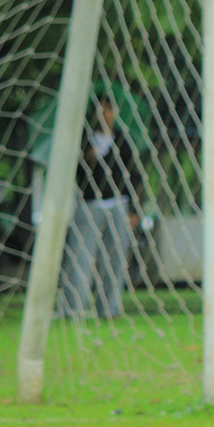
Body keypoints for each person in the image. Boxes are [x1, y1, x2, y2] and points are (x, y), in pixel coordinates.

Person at [57, 96, 139, 319]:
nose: (105, 115)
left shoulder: (123, 141)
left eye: (108, 110)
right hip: (89, 204)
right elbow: (72, 173)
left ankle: (109, 309)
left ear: (114, 113)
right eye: (100, 110)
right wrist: (87, 158)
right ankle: (72, 308)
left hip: (118, 204)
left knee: (115, 259)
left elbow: (133, 176)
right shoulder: (83, 140)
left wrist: (135, 210)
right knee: (79, 257)